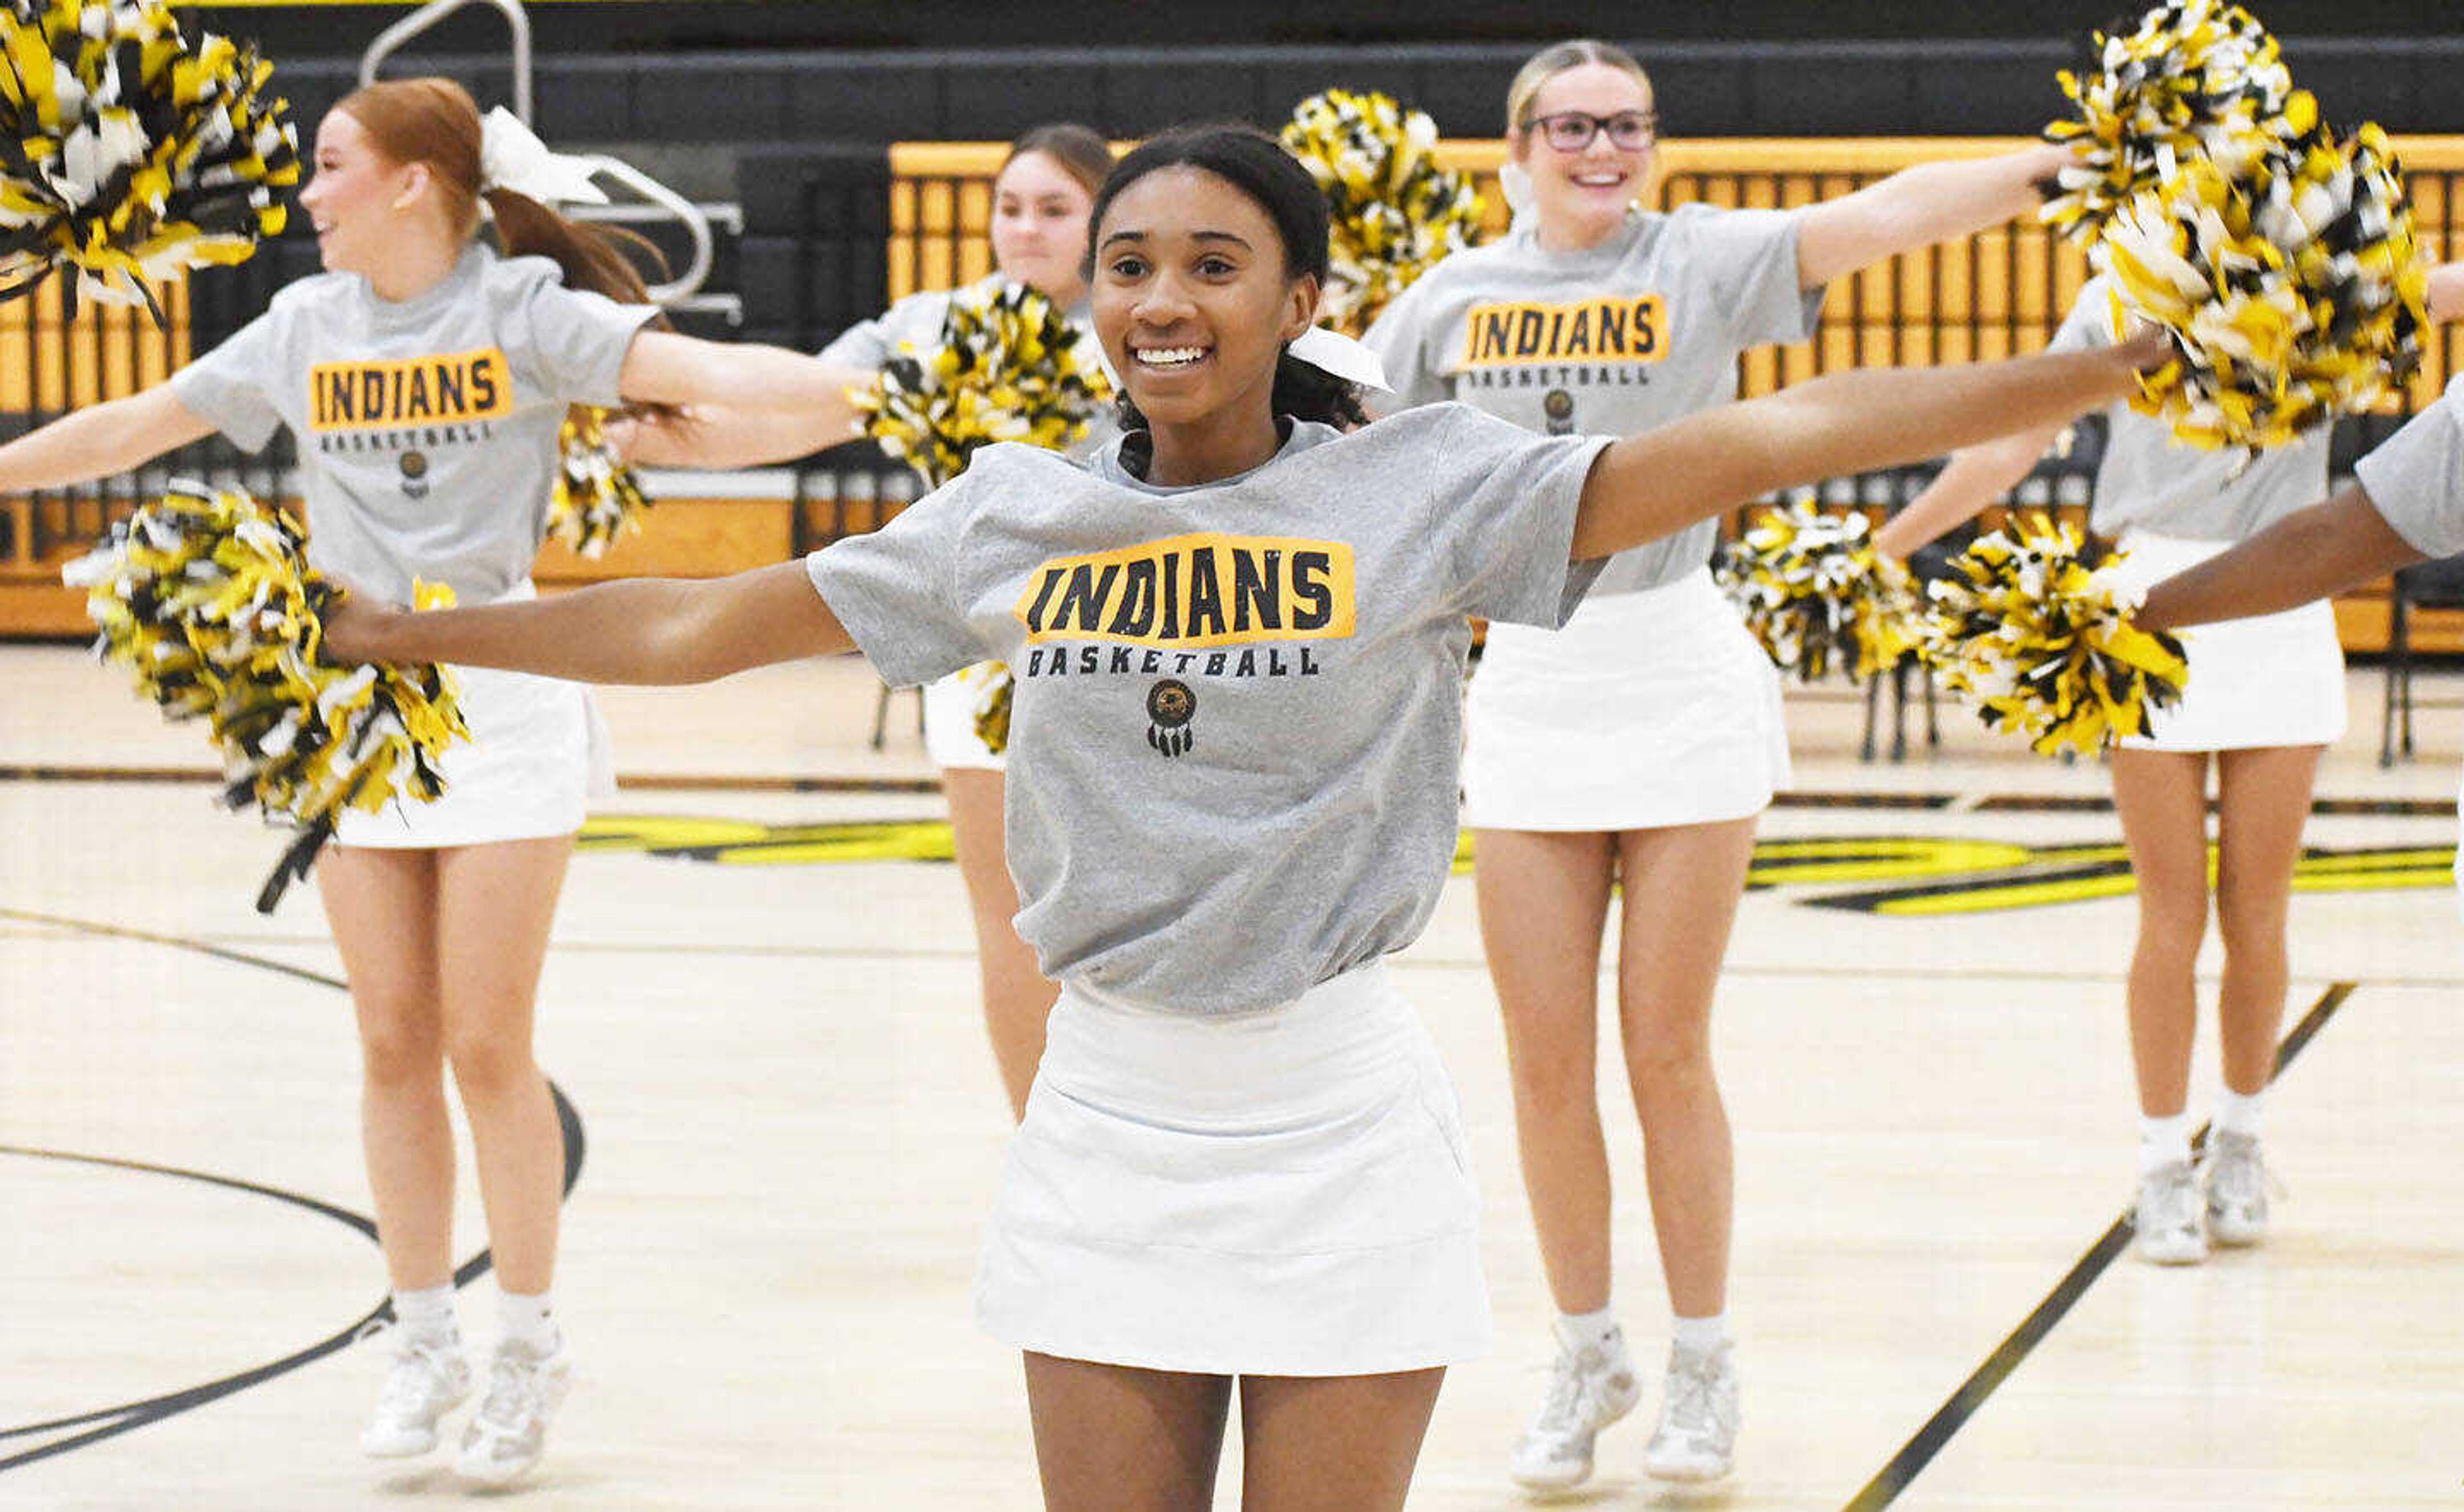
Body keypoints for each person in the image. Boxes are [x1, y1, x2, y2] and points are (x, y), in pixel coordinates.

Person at [320, 124, 2162, 1512]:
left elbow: (1783, 434)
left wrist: (2093, 375)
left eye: (1215, 263)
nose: (1161, 300)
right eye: (1130, 264)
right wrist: (419, 627)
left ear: (1301, 302)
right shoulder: (1015, 514)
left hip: (1338, 1116)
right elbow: (693, 621)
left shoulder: (1431, 484)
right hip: (1106, 1113)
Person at [0, 78, 866, 1485]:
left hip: (504, 693)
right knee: (392, 1039)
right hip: (347, 712)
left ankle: (524, 1343)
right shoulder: (302, 330)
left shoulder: (521, 312)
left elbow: (705, 373)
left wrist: (866, 391)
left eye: (331, 166)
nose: (307, 195)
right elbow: (126, 429)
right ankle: (420, 1340)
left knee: (483, 1043)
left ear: (413, 182)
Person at [1358, 37, 2076, 1489]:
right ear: (1517, 146)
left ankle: (1704, 1364)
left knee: (1667, 1049)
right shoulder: (1446, 299)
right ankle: (1585, 1352)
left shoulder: (1703, 259)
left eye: (1627, 124)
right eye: (1571, 125)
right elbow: (1363, 464)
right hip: (1534, 689)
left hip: (1677, 670)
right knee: (1545, 1063)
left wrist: (2072, 167)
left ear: (1657, 144)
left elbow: (1889, 217)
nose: (1602, 148)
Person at [1877, 262, 2464, 1268]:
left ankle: (2240, 1140)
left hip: (2284, 591)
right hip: (2144, 589)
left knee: (2258, 910)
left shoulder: (2321, 283)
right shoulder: (2115, 294)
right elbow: (2011, 442)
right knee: (2171, 911)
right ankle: (2159, 1164)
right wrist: (1887, 546)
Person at [629, 124, 1117, 1120]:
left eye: (1054, 209)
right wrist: (669, 430)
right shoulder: (936, 324)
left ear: (1103, 220)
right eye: (1011, 207)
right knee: (1011, 923)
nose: (1025, 229)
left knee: (1117, 917)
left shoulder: (1135, 323)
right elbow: (805, 409)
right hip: (980, 660)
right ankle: (1046, 1144)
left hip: (1118, 653)